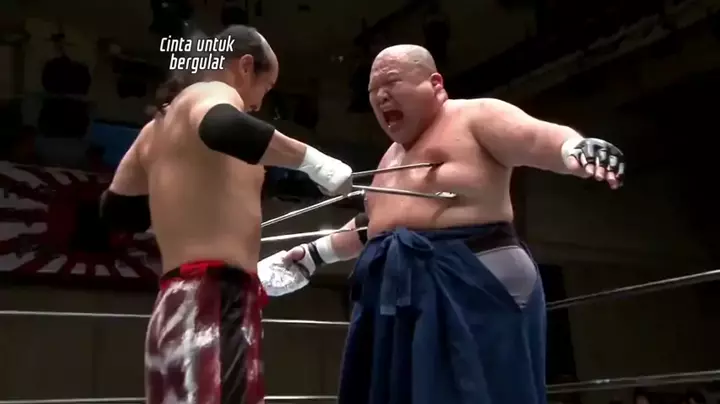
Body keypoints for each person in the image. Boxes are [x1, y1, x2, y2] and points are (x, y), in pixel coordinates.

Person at [259, 44, 625, 404]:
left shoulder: (475, 117)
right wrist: (313, 256)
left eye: (392, 82)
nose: (381, 96)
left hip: (472, 278)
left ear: (435, 84)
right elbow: (374, 226)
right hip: (402, 295)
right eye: (373, 91)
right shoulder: (389, 159)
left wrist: (576, 149)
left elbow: (536, 137)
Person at [98, 25, 353, 404]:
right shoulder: (213, 93)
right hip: (215, 303)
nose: (259, 105)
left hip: (173, 306)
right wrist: (316, 163)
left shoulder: (156, 128)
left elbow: (117, 211)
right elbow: (221, 126)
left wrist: (184, 211)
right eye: (266, 87)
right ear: (245, 66)